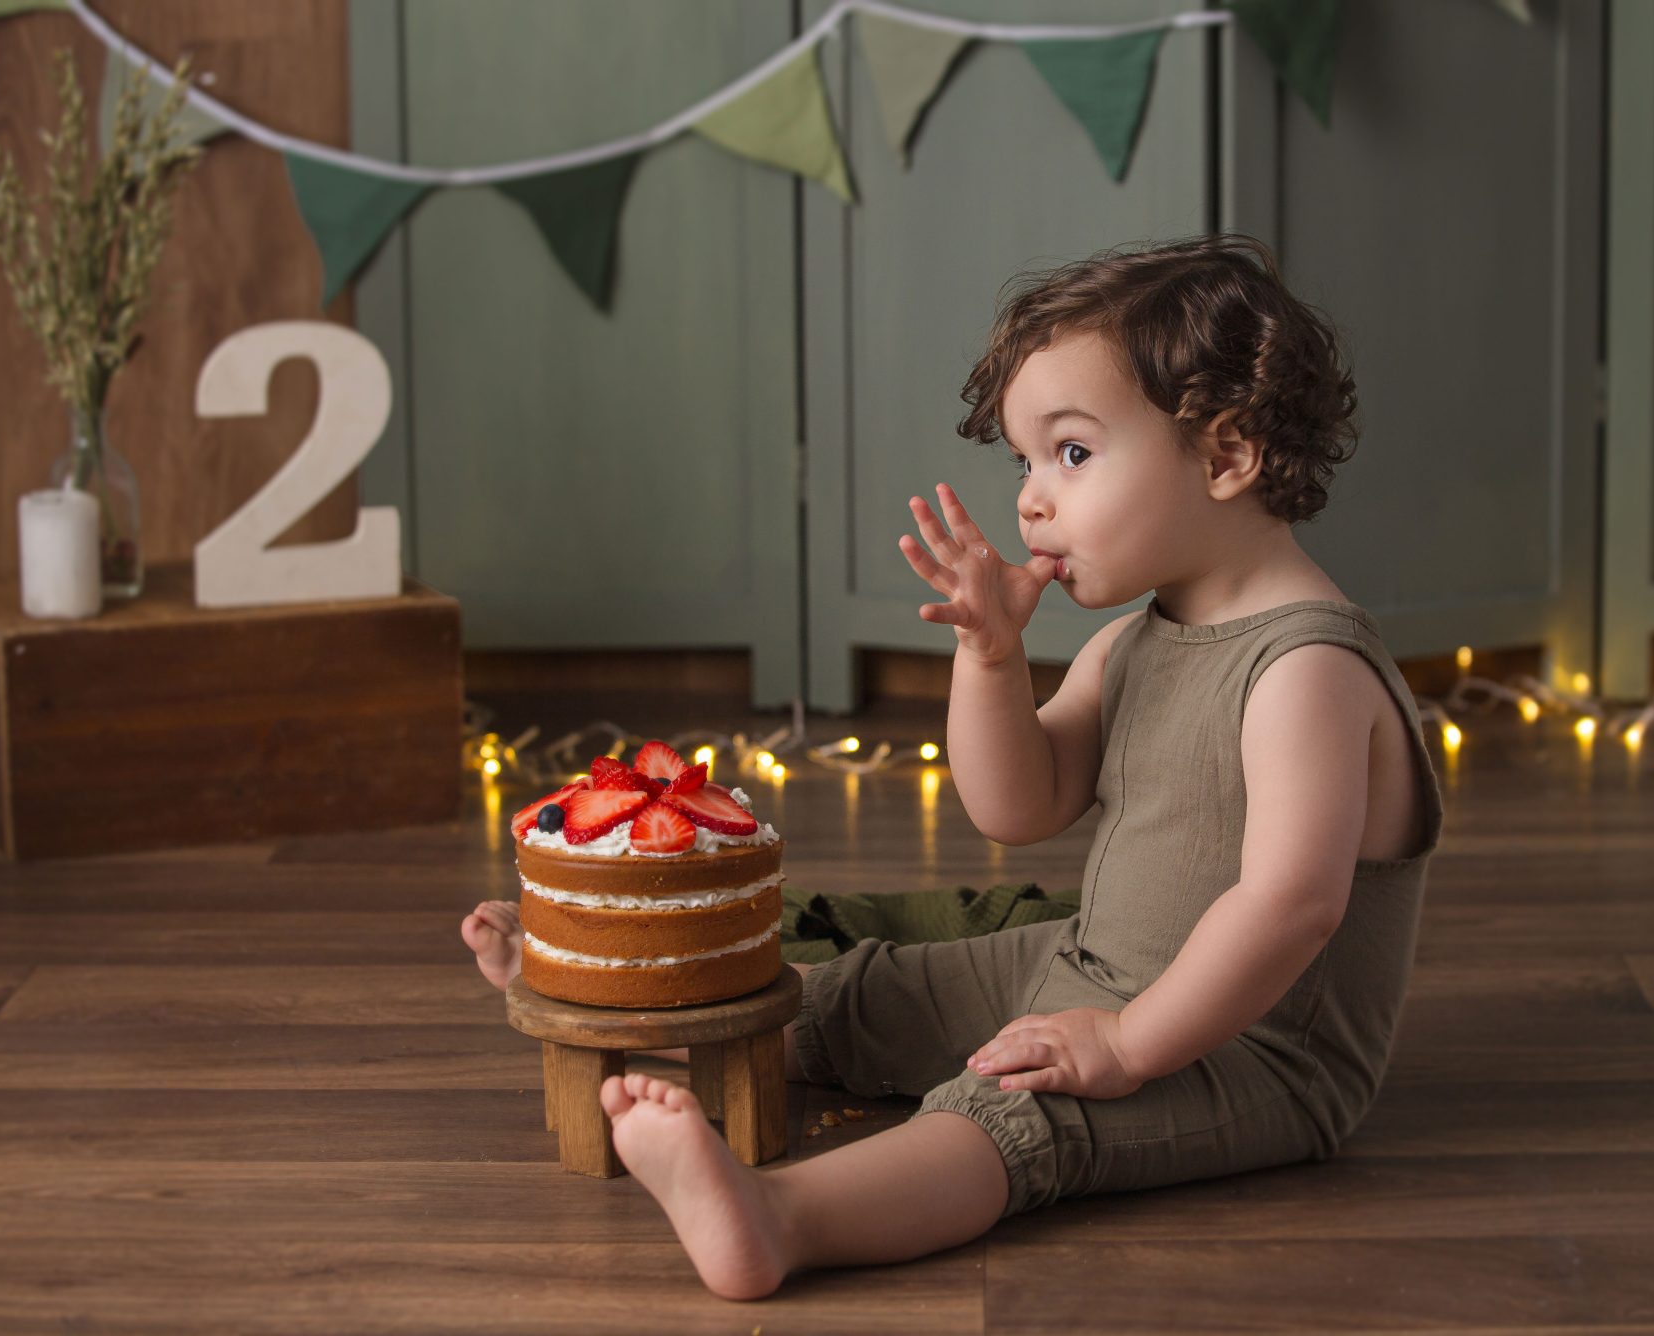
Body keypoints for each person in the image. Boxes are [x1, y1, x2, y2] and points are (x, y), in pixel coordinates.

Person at [462, 234, 1442, 1301]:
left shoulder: (1306, 668)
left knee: (1010, 1119)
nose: (1030, 499)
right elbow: (1018, 803)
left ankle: (779, 1219)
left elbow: (1291, 903)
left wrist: (1125, 1045)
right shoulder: (1135, 644)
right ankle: (632, 1034)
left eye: (1070, 453)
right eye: (1023, 462)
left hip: (1251, 1052)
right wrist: (990, 656)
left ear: (1224, 454)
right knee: (873, 993)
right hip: (1097, 969)